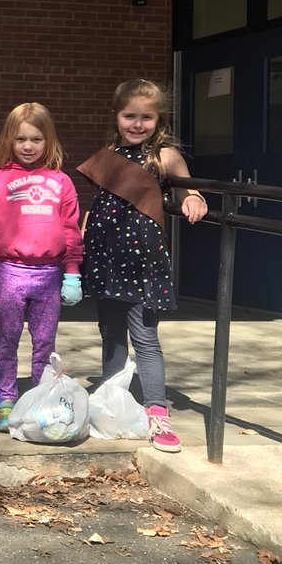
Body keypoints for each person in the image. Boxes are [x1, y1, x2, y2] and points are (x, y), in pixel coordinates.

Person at [79, 78, 207, 453]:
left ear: (159, 119)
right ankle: (112, 401)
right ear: (117, 117)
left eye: (146, 117)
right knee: (110, 333)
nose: (137, 124)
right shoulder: (108, 153)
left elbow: (187, 187)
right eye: (129, 116)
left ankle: (157, 412)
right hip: (105, 256)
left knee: (146, 339)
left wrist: (194, 198)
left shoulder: (164, 155)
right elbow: (99, 203)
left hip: (144, 261)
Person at [0, 102, 84, 432]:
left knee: (45, 344)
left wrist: (72, 273)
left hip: (49, 274)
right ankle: (6, 399)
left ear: (48, 141)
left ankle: (40, 398)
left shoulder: (61, 181)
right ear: (9, 139)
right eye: (21, 139)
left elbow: (70, 229)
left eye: (36, 139)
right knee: (6, 342)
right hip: (10, 271)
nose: (27, 146)